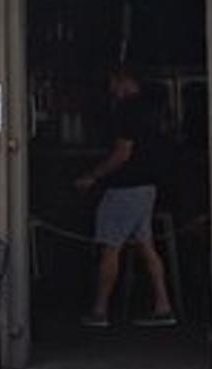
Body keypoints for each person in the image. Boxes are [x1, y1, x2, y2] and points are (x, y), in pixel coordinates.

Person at [73, 68, 175, 329]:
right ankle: (163, 306)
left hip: (125, 187)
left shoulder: (126, 110)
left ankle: (100, 309)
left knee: (110, 246)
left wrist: (93, 176)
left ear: (124, 80)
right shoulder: (155, 108)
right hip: (148, 186)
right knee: (146, 245)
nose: (111, 90)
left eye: (113, 83)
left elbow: (122, 153)